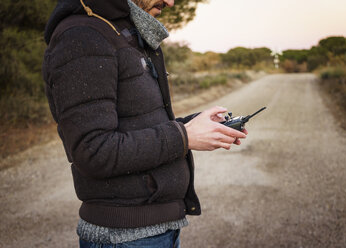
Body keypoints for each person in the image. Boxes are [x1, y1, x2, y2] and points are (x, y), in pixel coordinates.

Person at [42, 0, 247, 247]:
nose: (170, 2)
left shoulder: (119, 33)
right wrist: (184, 136)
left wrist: (194, 125)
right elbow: (93, 150)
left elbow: (135, 125)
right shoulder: (82, 37)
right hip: (123, 238)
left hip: (157, 233)